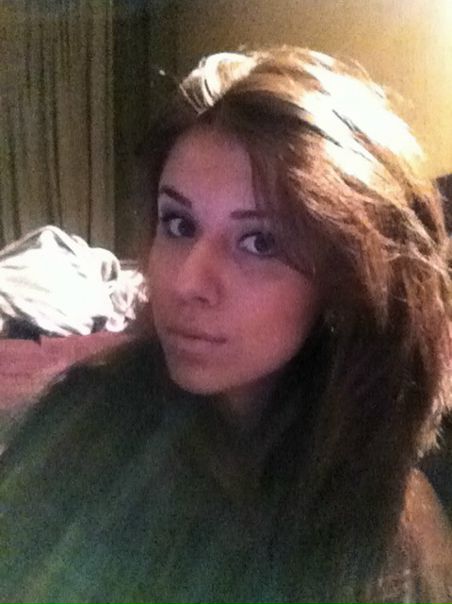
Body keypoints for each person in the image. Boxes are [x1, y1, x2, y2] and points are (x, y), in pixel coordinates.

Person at [1, 46, 451, 604]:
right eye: (179, 223)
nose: (187, 282)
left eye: (259, 242)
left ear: (349, 279)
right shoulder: (82, 425)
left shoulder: (389, 534)